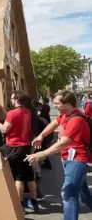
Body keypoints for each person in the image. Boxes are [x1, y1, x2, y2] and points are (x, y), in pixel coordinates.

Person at [26, 90, 92, 220]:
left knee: (68, 194)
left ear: (67, 104)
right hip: (69, 158)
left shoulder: (76, 120)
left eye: (57, 103)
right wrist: (41, 135)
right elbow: (54, 123)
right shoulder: (65, 114)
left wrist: (41, 154)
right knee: (83, 193)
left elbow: (63, 143)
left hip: (77, 160)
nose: (54, 106)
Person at [0, 91, 39, 212]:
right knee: (29, 176)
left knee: (18, 176)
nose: (10, 100)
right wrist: (1, 108)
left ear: (17, 99)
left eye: (12, 98)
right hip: (26, 146)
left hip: (14, 147)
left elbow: (4, 129)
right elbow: (13, 117)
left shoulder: (12, 113)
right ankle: (34, 202)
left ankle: (20, 203)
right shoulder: (27, 112)